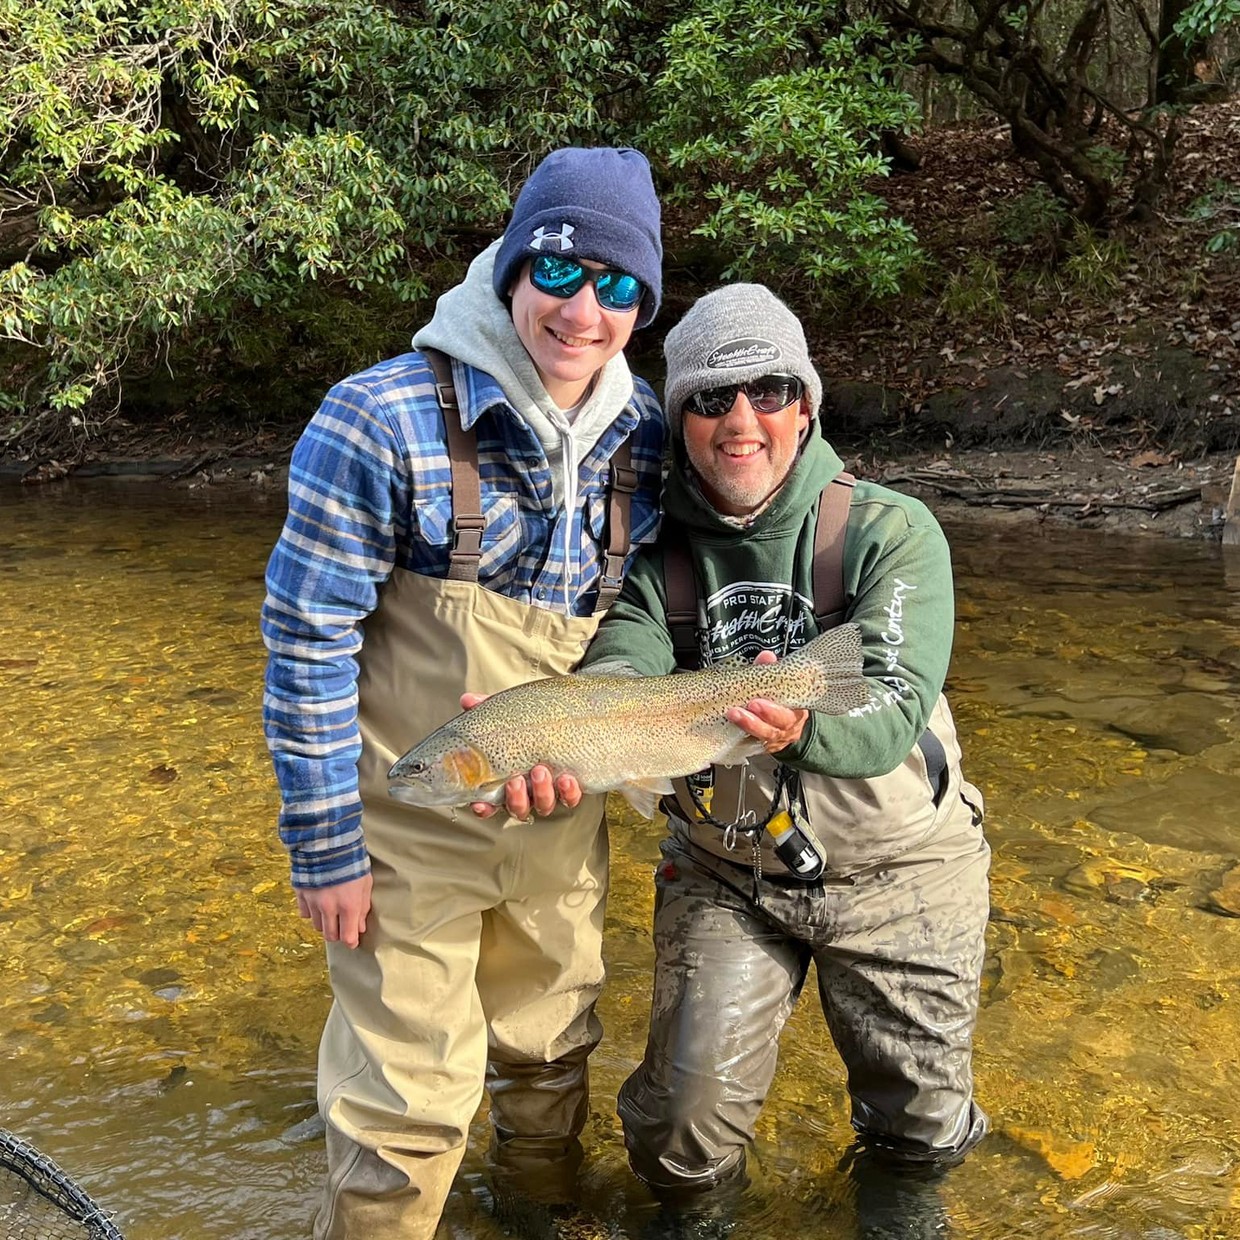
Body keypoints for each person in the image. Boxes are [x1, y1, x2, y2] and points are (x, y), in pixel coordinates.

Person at [260, 146, 664, 1240]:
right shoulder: (376, 416)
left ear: (644, 303)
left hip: (560, 820)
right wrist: (323, 845)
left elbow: (647, 623)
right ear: (511, 267)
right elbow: (305, 640)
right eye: (563, 273)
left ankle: (532, 1220)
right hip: (405, 830)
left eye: (619, 286)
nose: (586, 310)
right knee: (407, 1105)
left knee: (549, 1057)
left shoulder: (647, 439)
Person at [577, 284, 991, 1226]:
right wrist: (552, 728)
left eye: (768, 391)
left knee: (917, 1128)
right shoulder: (659, 556)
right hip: (727, 871)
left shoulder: (891, 531)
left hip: (905, 868)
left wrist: (800, 726)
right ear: (680, 419)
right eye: (711, 399)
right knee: (678, 1136)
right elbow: (621, 661)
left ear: (806, 405)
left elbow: (889, 713)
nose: (741, 422)